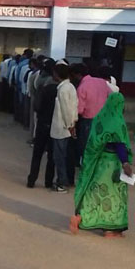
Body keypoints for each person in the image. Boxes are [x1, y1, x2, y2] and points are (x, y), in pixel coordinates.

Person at [70, 92, 134, 238]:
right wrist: (125, 162)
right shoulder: (118, 121)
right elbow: (120, 144)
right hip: (113, 164)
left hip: (99, 162)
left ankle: (80, 217)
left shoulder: (99, 118)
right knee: (114, 195)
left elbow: (94, 141)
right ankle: (111, 229)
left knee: (95, 193)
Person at [27, 59, 58, 189]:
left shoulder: (41, 83)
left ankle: (31, 180)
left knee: (37, 153)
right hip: (55, 123)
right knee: (51, 155)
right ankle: (48, 182)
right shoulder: (60, 89)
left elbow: (37, 106)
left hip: (42, 122)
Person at [74, 63, 111, 167]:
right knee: (99, 144)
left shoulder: (82, 87)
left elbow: (80, 110)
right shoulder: (102, 83)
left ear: (78, 75)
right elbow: (112, 97)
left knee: (86, 146)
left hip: (88, 120)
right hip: (103, 119)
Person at [50, 62, 77, 193]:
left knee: (59, 157)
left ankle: (62, 182)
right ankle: (63, 180)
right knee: (63, 155)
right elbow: (74, 106)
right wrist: (73, 122)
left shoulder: (63, 89)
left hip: (62, 127)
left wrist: (69, 125)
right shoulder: (70, 86)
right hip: (67, 126)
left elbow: (66, 109)